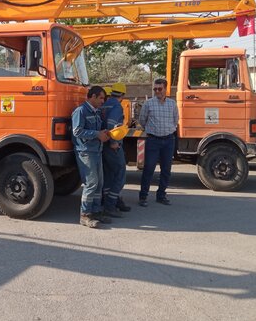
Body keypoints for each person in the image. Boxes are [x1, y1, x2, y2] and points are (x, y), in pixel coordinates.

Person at [72, 85, 110, 228]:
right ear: (92, 97)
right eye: (101, 98)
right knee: (91, 183)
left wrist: (103, 132)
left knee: (99, 183)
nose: (102, 101)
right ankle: (85, 215)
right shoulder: (81, 111)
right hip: (86, 152)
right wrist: (97, 134)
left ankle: (96, 212)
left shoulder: (96, 111)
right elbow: (77, 131)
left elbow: (94, 130)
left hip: (96, 150)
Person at [138, 78, 179, 207]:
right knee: (149, 169)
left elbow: (175, 120)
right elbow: (142, 120)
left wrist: (168, 131)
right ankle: (143, 196)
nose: (157, 91)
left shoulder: (172, 104)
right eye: (155, 89)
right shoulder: (148, 104)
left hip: (168, 140)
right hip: (153, 141)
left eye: (159, 89)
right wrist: (151, 130)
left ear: (165, 89)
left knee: (166, 170)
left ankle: (161, 195)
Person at [101, 82, 131, 217]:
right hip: (113, 146)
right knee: (120, 174)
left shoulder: (105, 104)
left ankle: (108, 201)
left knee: (108, 174)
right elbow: (111, 123)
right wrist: (113, 141)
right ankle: (111, 204)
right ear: (123, 95)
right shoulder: (116, 106)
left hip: (103, 145)